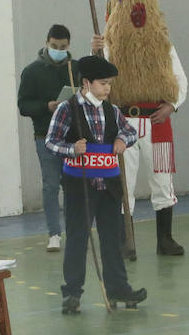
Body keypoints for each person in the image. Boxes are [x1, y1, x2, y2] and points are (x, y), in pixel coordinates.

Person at [98, 0, 189, 258]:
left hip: (158, 122)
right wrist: (97, 51)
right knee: (123, 181)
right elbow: (99, 79)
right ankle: (126, 240)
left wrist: (173, 105)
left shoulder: (163, 47)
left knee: (162, 179)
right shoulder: (112, 45)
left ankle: (165, 238)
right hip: (125, 122)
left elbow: (180, 80)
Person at [44, 55, 147, 315]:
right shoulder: (67, 109)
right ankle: (72, 293)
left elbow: (130, 130)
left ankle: (118, 287)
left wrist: (123, 139)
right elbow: (51, 141)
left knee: (112, 237)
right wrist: (71, 148)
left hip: (109, 185)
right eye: (103, 84)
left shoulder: (110, 110)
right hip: (80, 186)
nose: (108, 89)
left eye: (109, 84)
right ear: (87, 83)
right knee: (78, 237)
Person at [18, 24, 78, 252]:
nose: (58, 50)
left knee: (74, 186)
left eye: (62, 47)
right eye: (54, 46)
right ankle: (54, 233)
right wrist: (46, 106)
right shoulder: (32, 72)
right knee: (51, 186)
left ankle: (75, 230)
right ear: (46, 43)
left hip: (73, 138)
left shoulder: (76, 68)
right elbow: (23, 105)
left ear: (68, 46)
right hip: (45, 137)